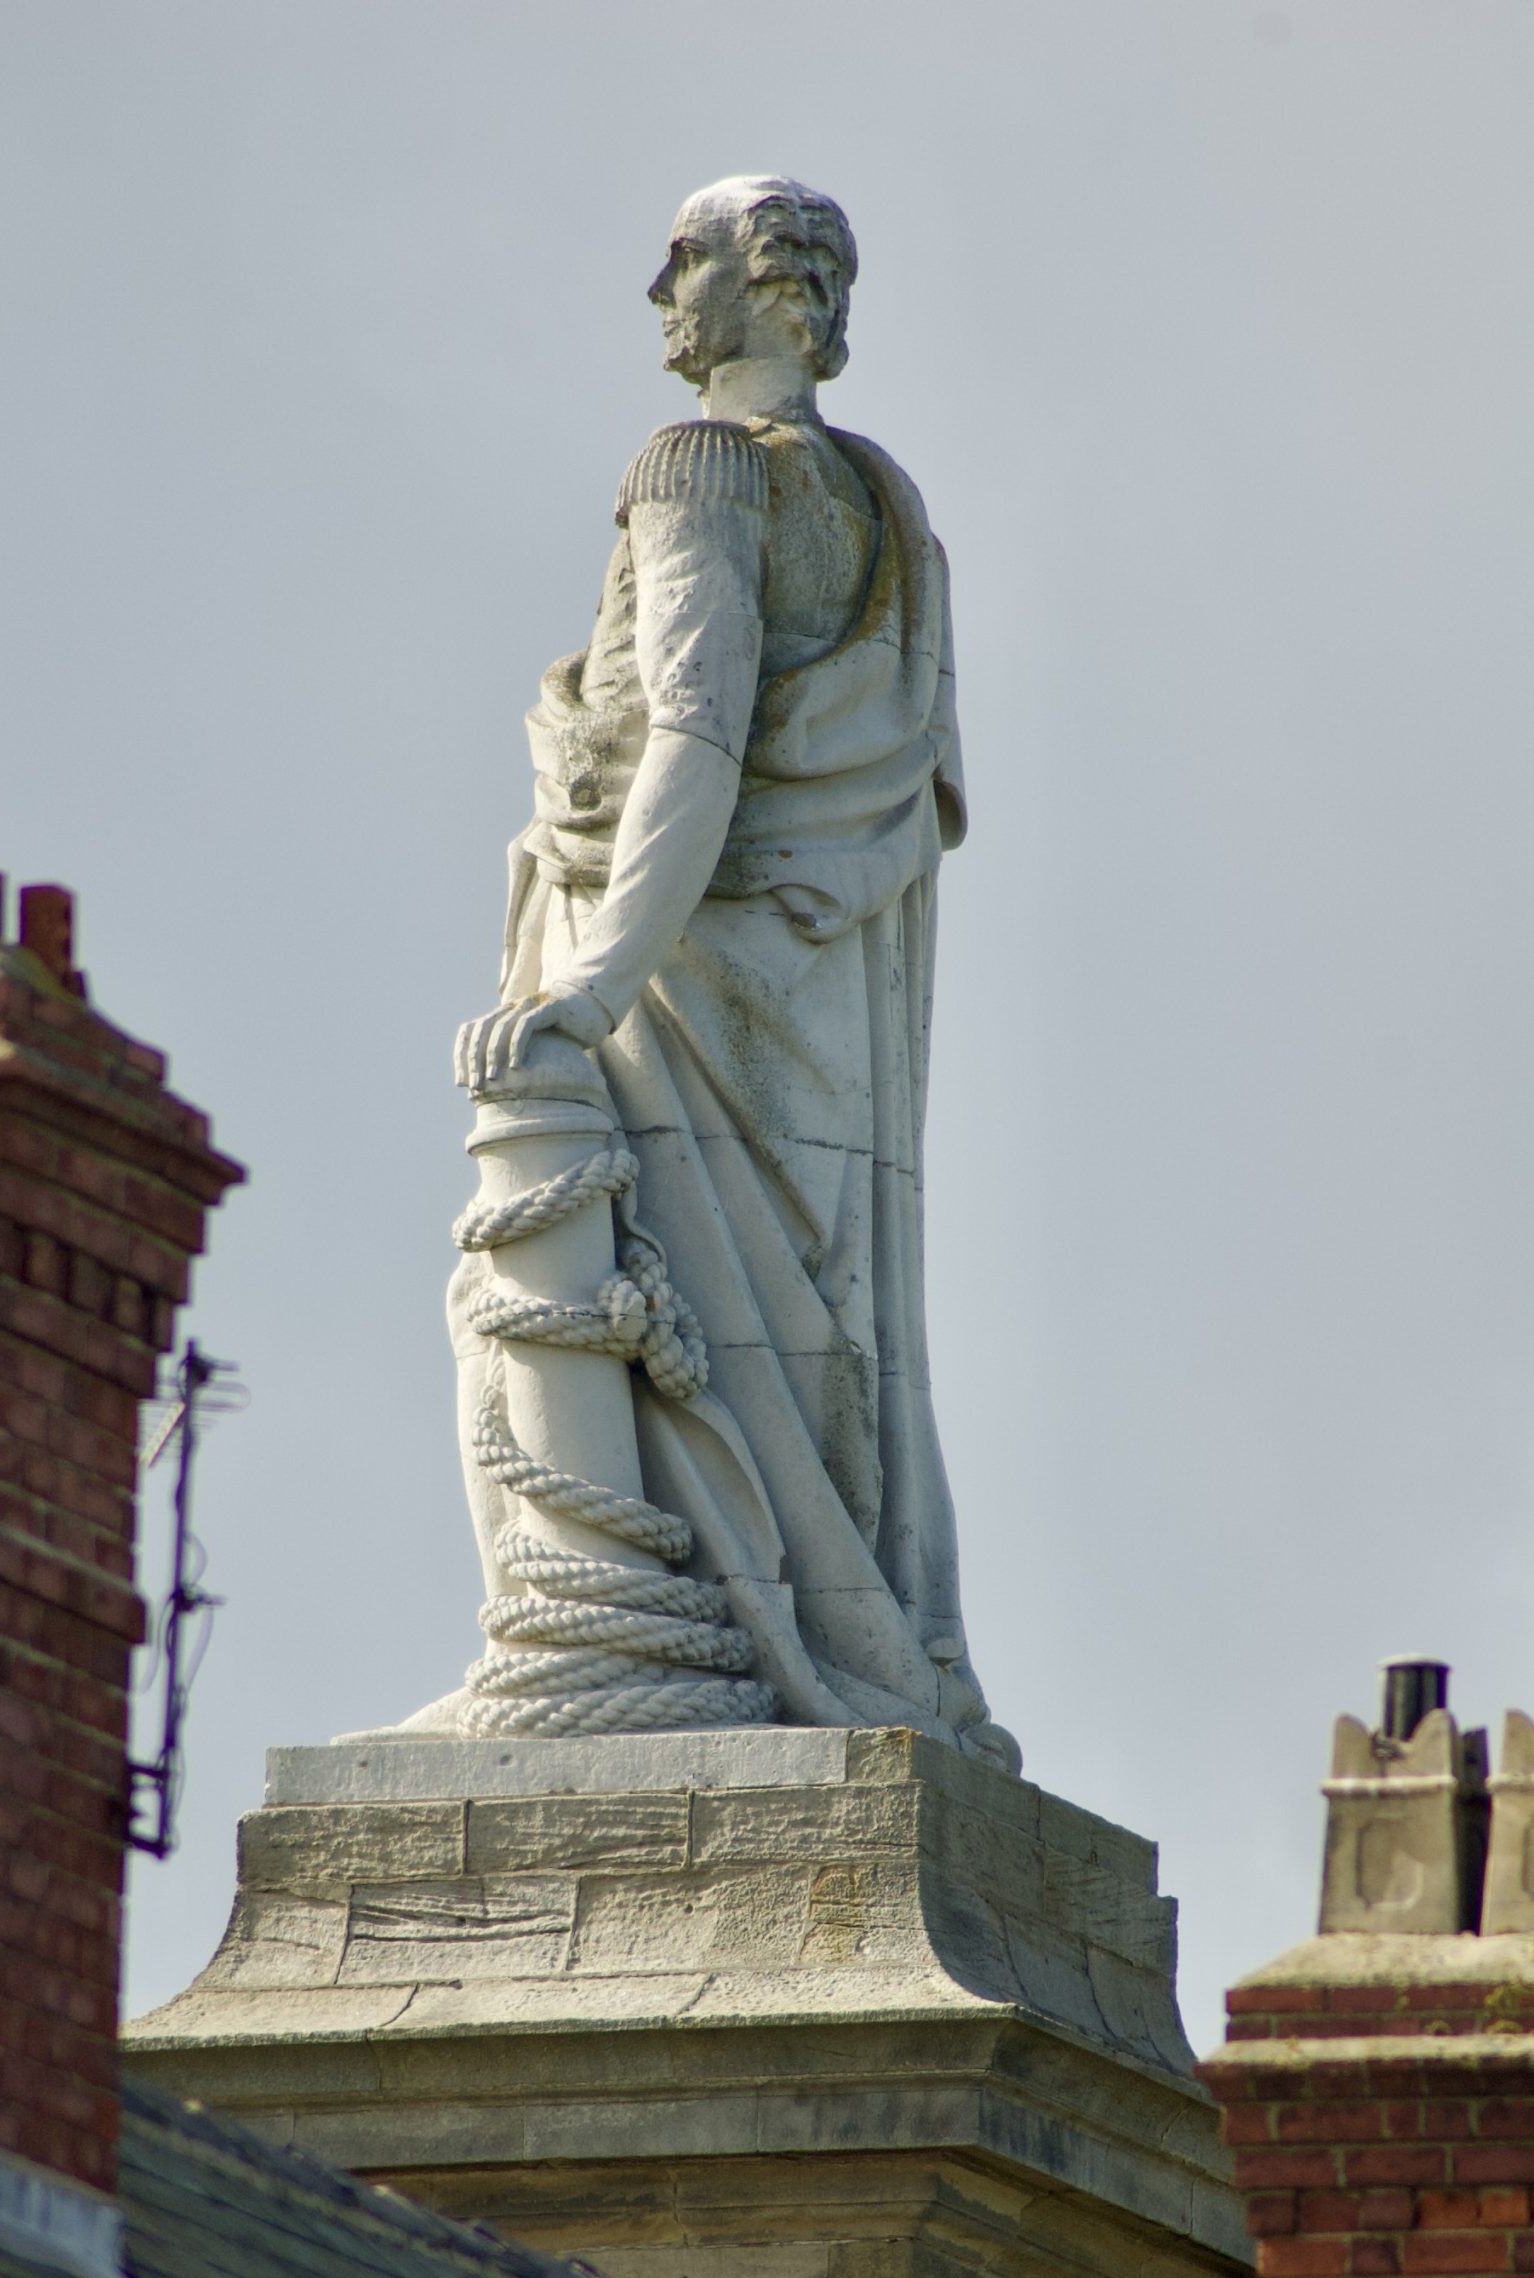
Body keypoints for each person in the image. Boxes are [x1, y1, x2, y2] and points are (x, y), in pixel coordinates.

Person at [444, 175, 1012, 1764]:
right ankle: (834, 1633)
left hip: (683, 967)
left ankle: (616, 1640)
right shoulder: (885, 509)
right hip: (814, 991)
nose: (655, 289)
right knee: (807, 1335)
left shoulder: (693, 466)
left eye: (682, 256)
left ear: (768, 289)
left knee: (585, 1286)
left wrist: (595, 975)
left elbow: (686, 731)